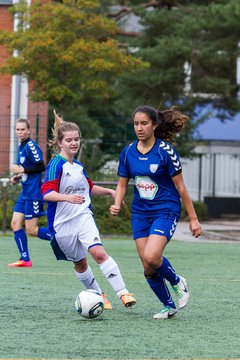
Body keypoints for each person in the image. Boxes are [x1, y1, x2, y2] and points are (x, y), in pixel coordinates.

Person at [110, 105, 202, 319]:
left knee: (152, 256)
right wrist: (117, 202)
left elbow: (181, 188)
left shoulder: (166, 152)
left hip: (165, 209)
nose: (139, 128)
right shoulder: (128, 152)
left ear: (155, 125)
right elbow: (122, 184)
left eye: (144, 123)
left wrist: (194, 219)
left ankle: (177, 281)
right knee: (147, 265)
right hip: (140, 212)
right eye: (136, 124)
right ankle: (168, 306)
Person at [41, 111, 136, 310]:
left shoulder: (78, 166)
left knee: (99, 253)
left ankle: (123, 293)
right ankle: (99, 295)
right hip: (61, 225)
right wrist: (67, 197)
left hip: (83, 216)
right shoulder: (55, 165)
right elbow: (47, 194)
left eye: (76, 139)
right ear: (60, 143)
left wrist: (110, 191)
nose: (74, 143)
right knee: (80, 263)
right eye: (69, 140)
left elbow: (89, 187)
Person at [8, 118, 51, 268]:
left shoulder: (31, 146)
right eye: (17, 129)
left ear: (29, 130)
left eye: (22, 129)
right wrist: (18, 176)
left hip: (33, 193)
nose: (19, 132)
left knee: (32, 230)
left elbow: (41, 166)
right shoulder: (21, 146)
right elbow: (29, 170)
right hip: (25, 192)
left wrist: (22, 170)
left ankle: (62, 239)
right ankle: (25, 259)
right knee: (15, 224)